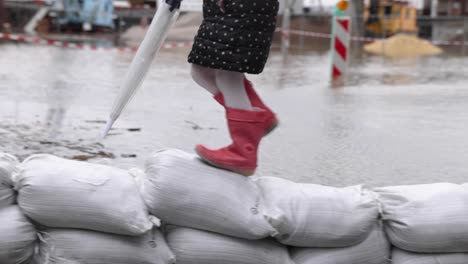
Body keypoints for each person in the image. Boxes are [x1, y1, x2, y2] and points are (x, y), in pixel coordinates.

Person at [188, 0, 280, 176]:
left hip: (241, 6)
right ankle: (261, 118)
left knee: (228, 73)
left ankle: (243, 151)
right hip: (221, 8)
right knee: (201, 71)